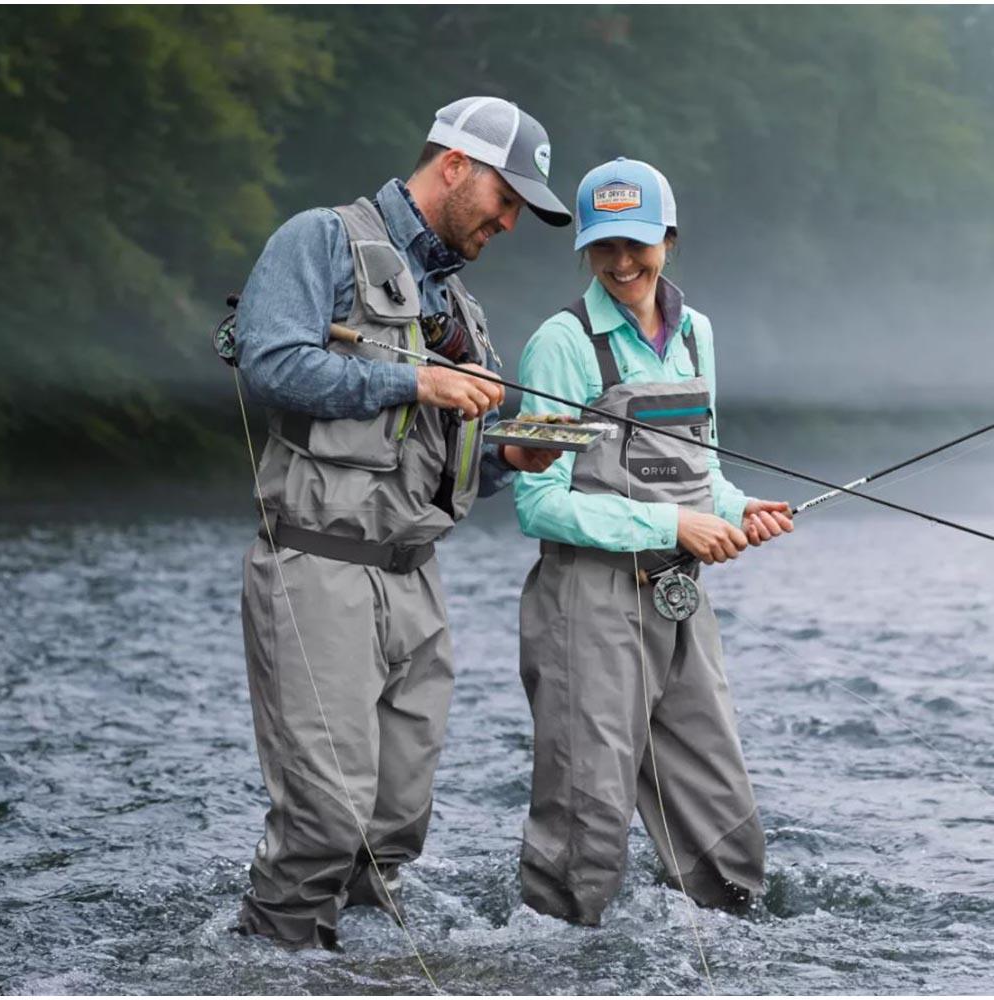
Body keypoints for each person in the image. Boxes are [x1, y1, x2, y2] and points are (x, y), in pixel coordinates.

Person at [233, 96, 571, 949]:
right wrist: (415, 382)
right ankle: (266, 961)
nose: (511, 220)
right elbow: (272, 361)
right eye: (507, 198)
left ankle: (355, 964)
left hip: (415, 580)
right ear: (455, 165)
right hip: (319, 567)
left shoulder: (466, 315)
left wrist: (508, 459)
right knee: (325, 815)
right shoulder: (322, 239)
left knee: (395, 822)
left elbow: (439, 464)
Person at [512, 157, 793, 926]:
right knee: (588, 815)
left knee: (721, 809)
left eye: (638, 243)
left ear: (669, 236)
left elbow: (703, 474)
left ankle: (736, 937)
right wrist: (676, 525)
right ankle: (560, 954)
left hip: (680, 597)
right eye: (605, 248)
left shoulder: (697, 334)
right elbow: (536, 503)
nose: (623, 263)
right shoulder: (560, 345)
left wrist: (738, 511)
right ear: (585, 249)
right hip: (586, 604)